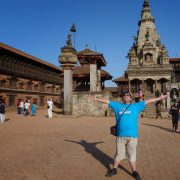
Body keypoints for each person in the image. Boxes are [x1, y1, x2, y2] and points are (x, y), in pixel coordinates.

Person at [91, 90, 168, 180]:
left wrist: (160, 98)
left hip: (132, 136)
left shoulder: (136, 106)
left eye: (128, 95)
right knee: (119, 154)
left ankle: (134, 171)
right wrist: (96, 99)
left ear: (131, 98)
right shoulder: (117, 106)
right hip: (120, 136)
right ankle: (114, 169)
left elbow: (149, 101)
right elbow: (107, 101)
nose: (126, 96)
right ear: (122, 97)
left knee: (132, 155)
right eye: (124, 95)